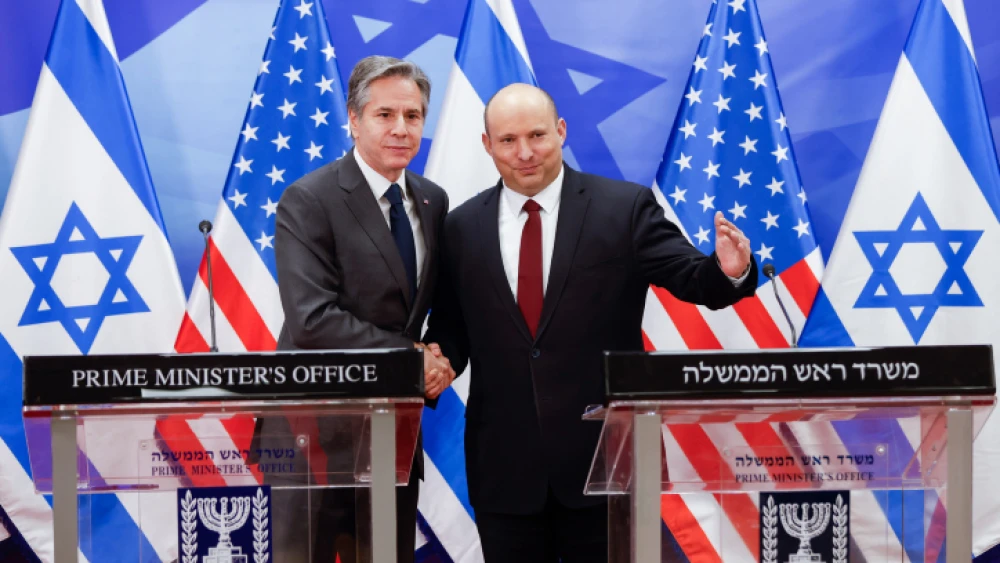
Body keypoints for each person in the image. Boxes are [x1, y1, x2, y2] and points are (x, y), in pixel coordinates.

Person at [423, 83, 756, 562]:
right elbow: (452, 328)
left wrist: (729, 270)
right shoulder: (461, 227)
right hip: (506, 473)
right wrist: (437, 361)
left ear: (560, 131)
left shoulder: (623, 208)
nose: (524, 153)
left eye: (537, 135)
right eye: (508, 140)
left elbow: (693, 279)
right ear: (487, 145)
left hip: (609, 466)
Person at [266, 55, 454, 562]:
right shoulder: (309, 198)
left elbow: (436, 305)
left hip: (393, 432)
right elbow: (311, 319)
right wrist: (412, 358)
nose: (401, 128)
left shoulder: (433, 200)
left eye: (413, 116)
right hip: (314, 433)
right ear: (353, 119)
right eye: (385, 114)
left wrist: (442, 359)